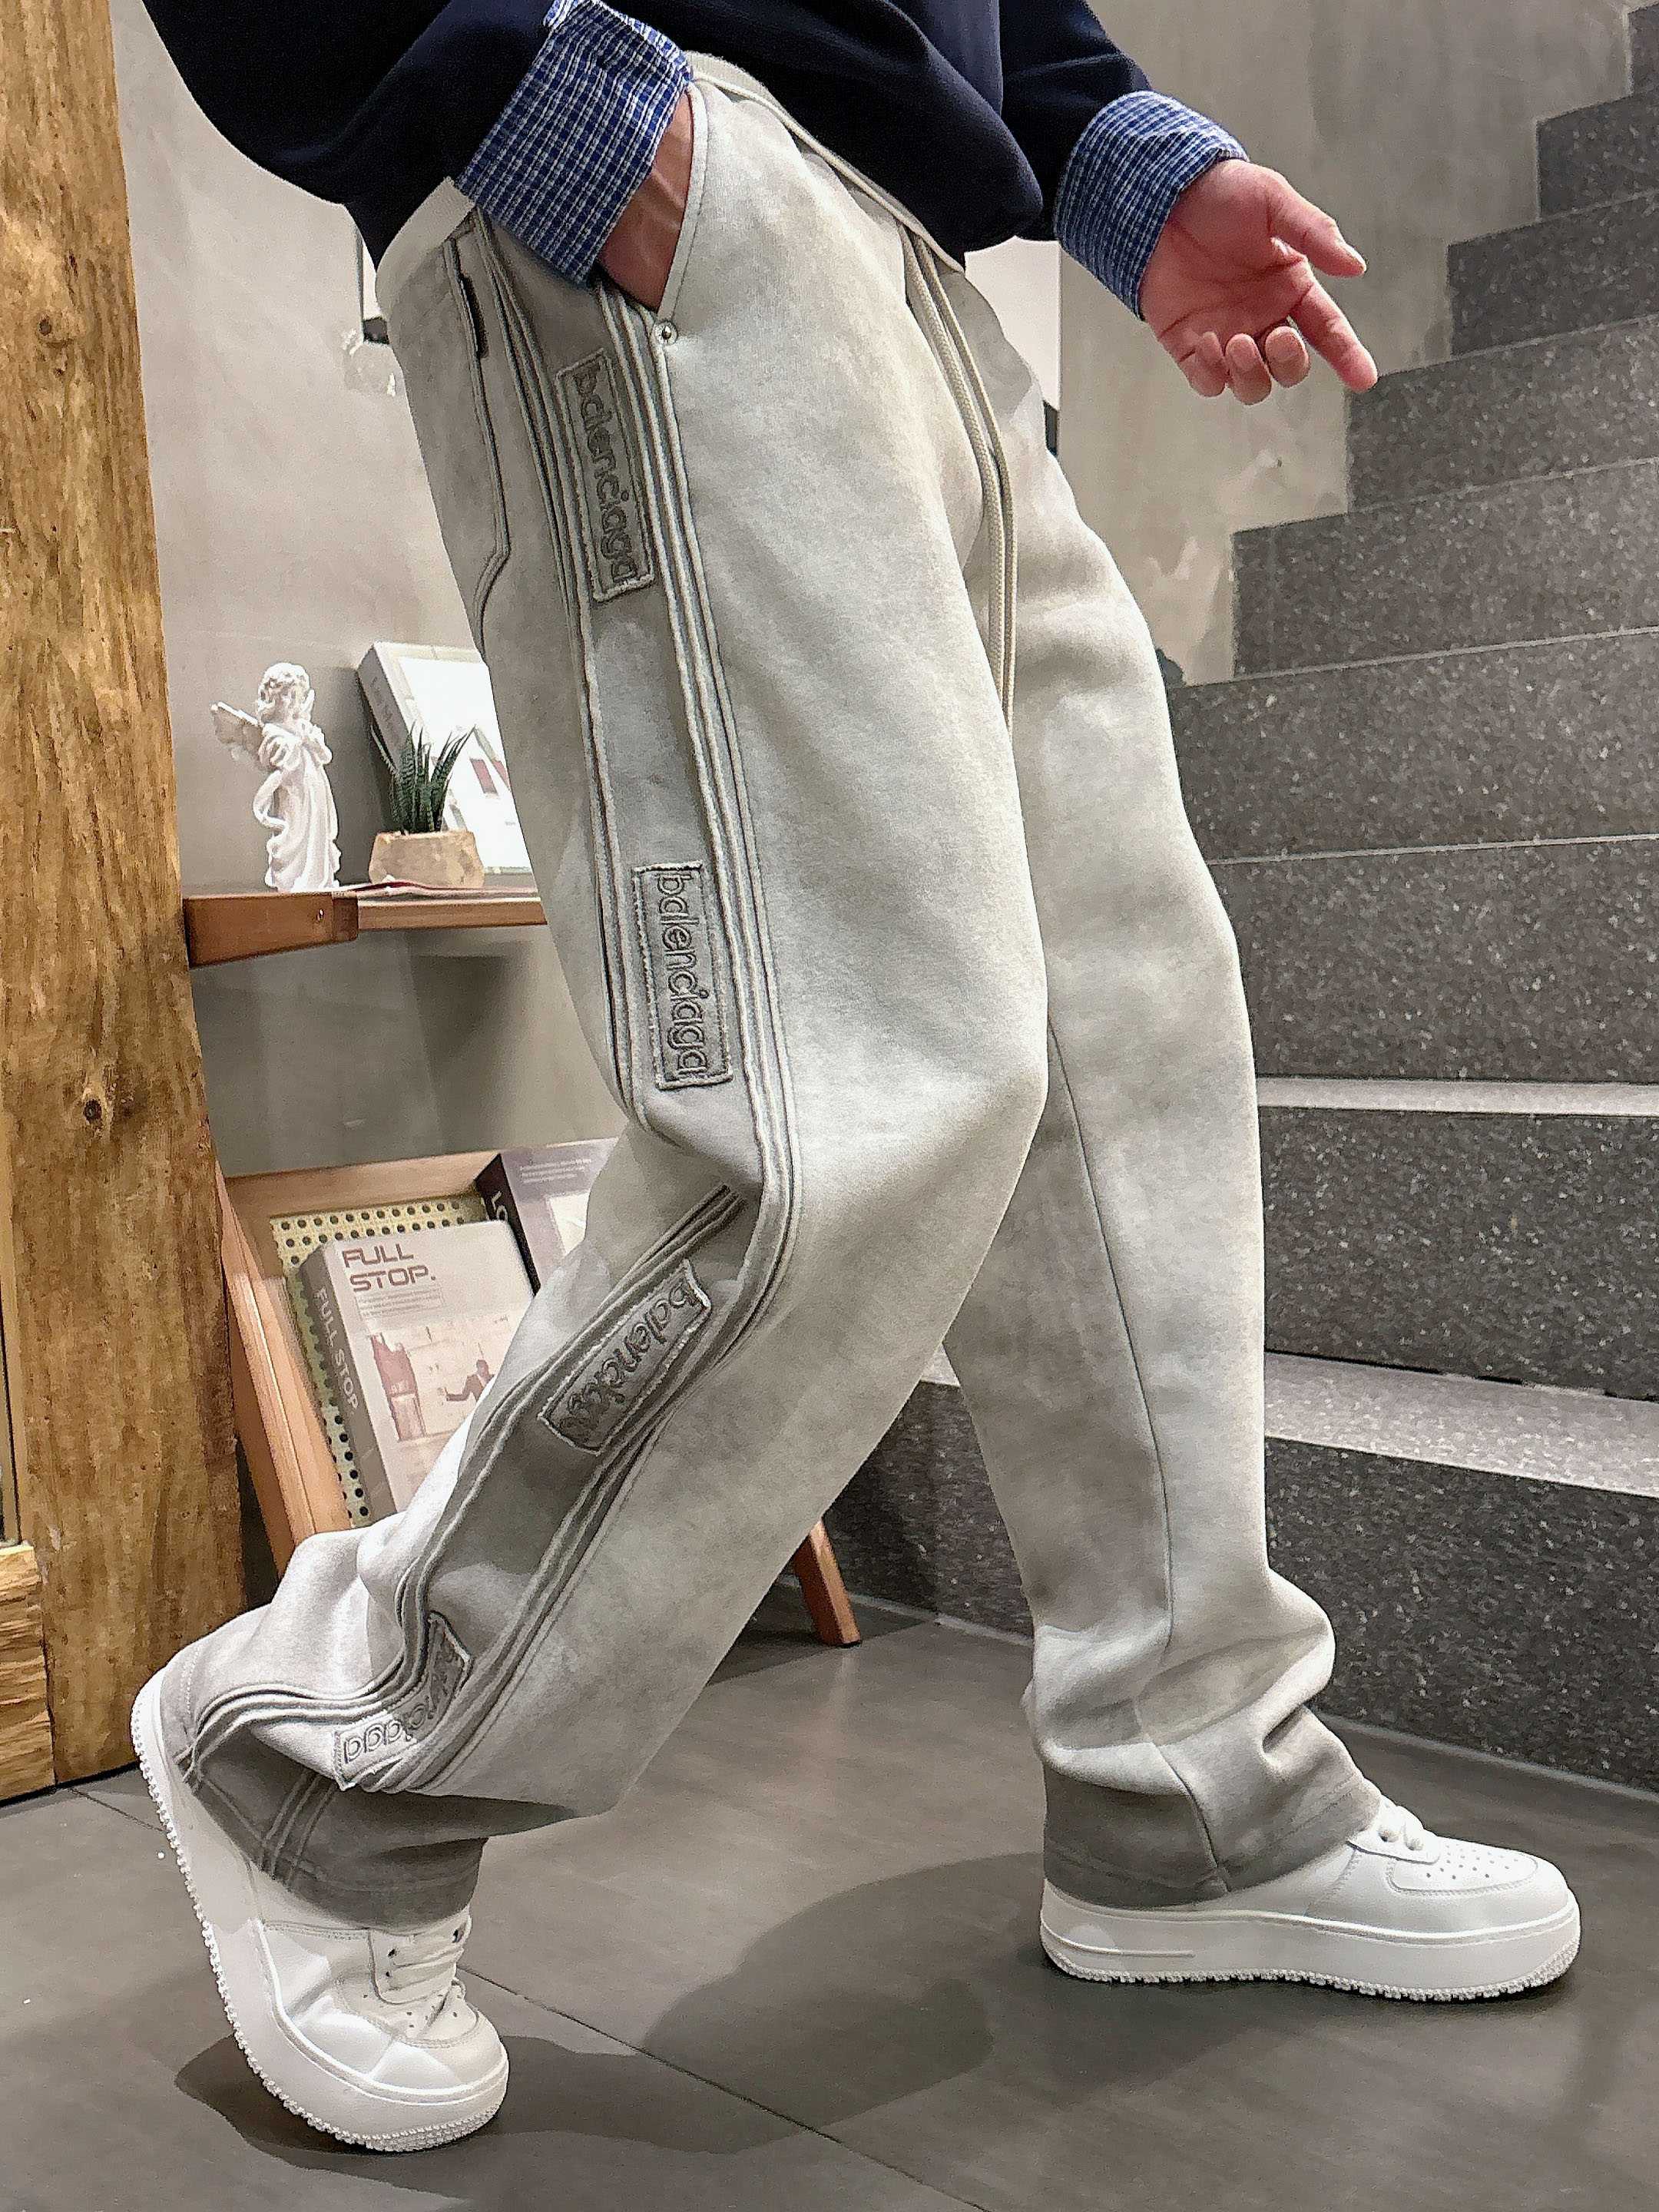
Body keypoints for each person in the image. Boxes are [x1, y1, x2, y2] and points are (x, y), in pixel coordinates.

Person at [131, 0, 1581, 2154]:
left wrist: (1111, 153)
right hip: (662, 169)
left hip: (925, 271)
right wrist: (500, 81)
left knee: (1127, 1058)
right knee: (864, 1091)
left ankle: (1197, 1788)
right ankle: (329, 1755)